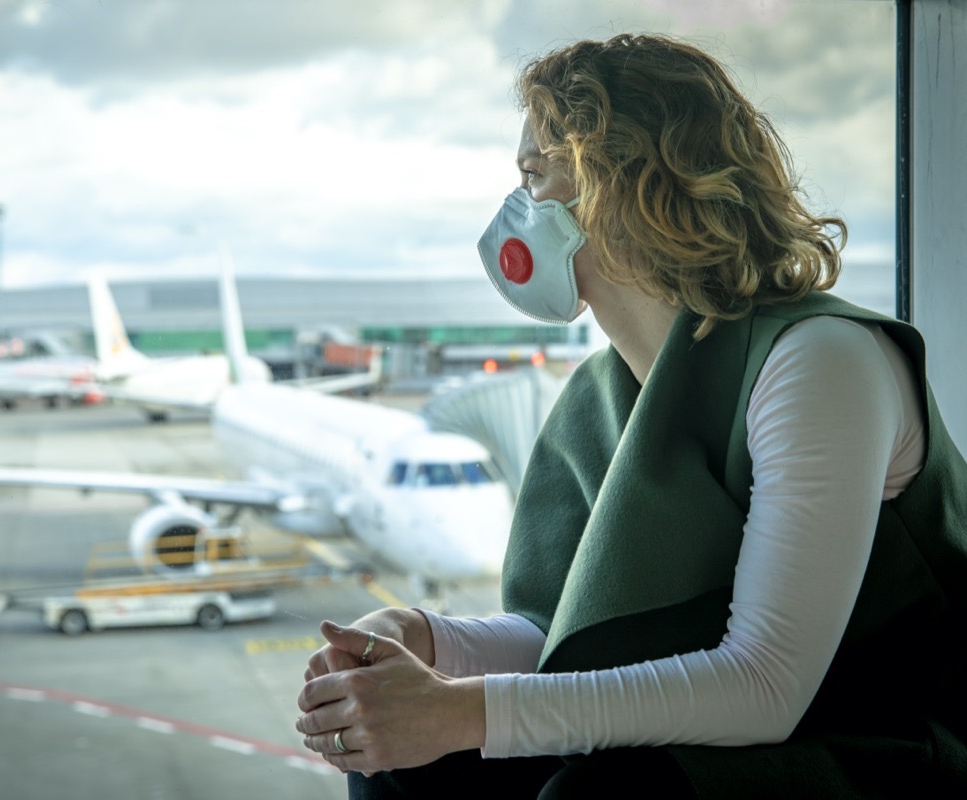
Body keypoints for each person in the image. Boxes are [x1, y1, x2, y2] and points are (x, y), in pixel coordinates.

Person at [294, 33, 967, 798]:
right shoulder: (600, 395)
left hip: (894, 740)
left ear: (618, 184)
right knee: (403, 767)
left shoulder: (818, 364)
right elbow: (575, 634)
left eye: (534, 174)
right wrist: (425, 642)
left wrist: (460, 715)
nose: (517, 209)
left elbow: (764, 684)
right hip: (752, 737)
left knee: (606, 793)